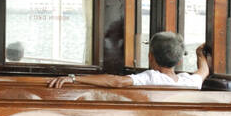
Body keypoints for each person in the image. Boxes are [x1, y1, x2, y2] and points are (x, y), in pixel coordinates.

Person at [49, 32, 210, 89]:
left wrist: (74, 78)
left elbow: (116, 82)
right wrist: (200, 54)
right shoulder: (190, 82)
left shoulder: (151, 78)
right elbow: (204, 71)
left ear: (151, 57)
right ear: (179, 60)